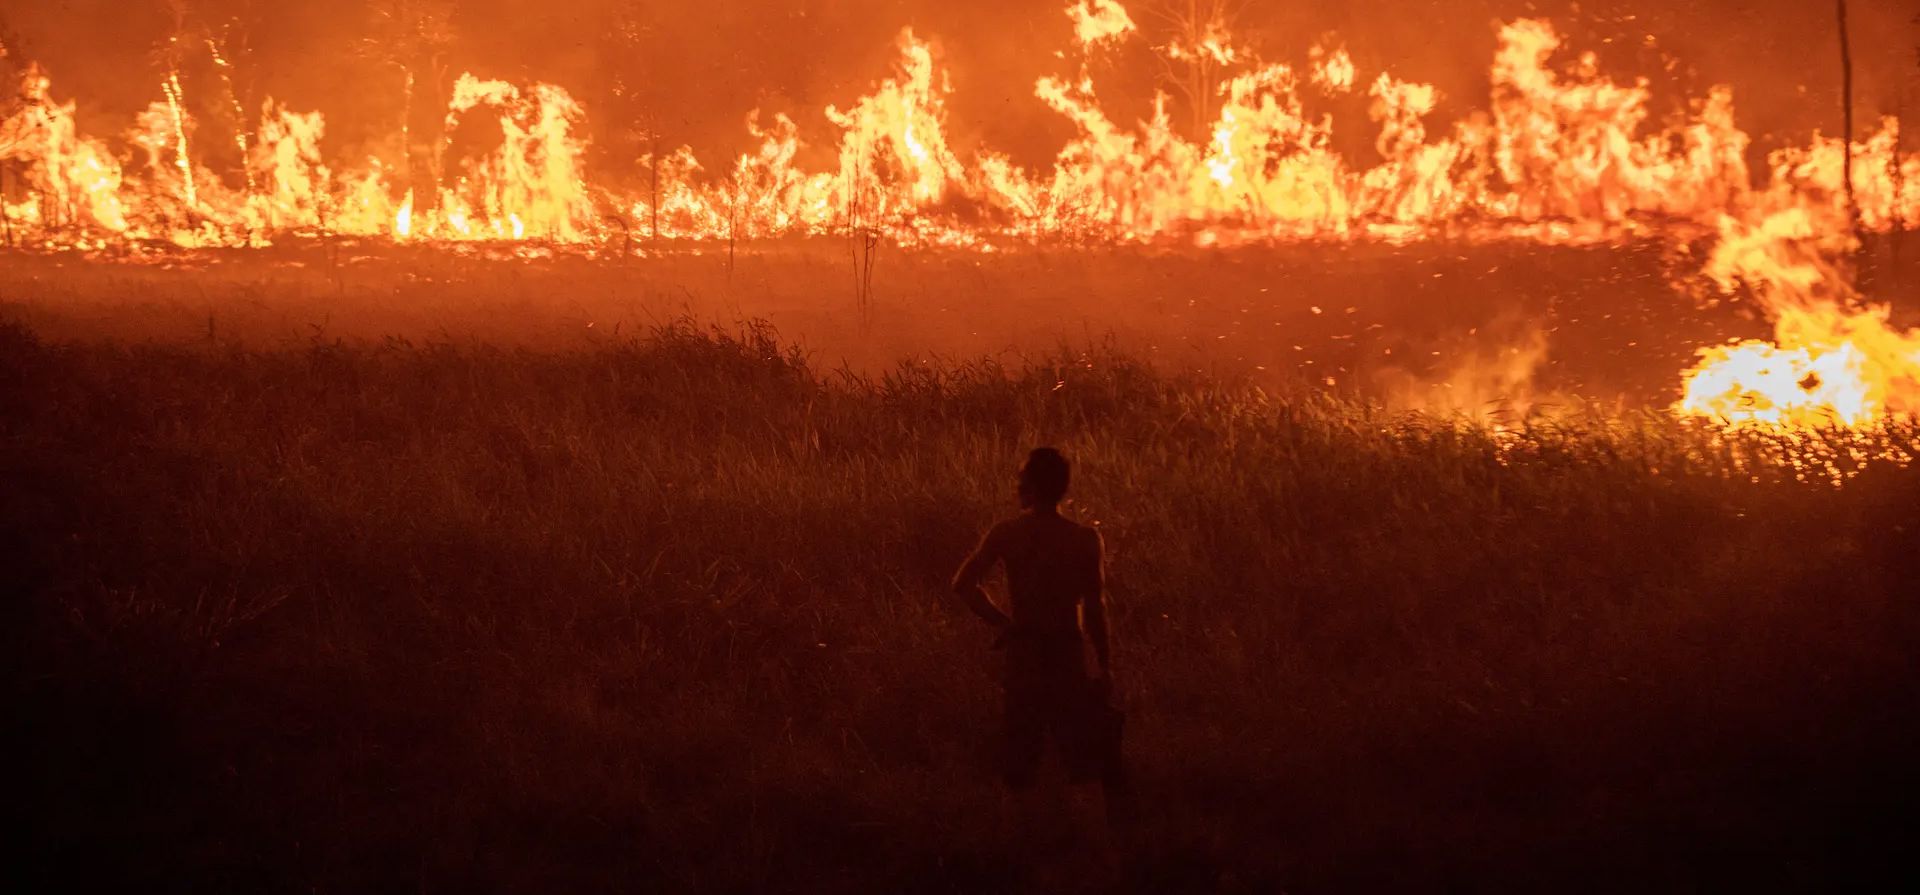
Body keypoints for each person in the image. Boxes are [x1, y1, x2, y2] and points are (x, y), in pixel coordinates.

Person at [951, 447, 1130, 835]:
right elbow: (1095, 609)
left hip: (1025, 656)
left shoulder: (1008, 534)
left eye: (1021, 478)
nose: (1017, 485)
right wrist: (1104, 665)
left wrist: (1005, 623)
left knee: (1019, 760)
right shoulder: (1085, 539)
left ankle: (1017, 850)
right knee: (1082, 761)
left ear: (1031, 486)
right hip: (1067, 655)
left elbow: (962, 584)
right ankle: (1092, 852)